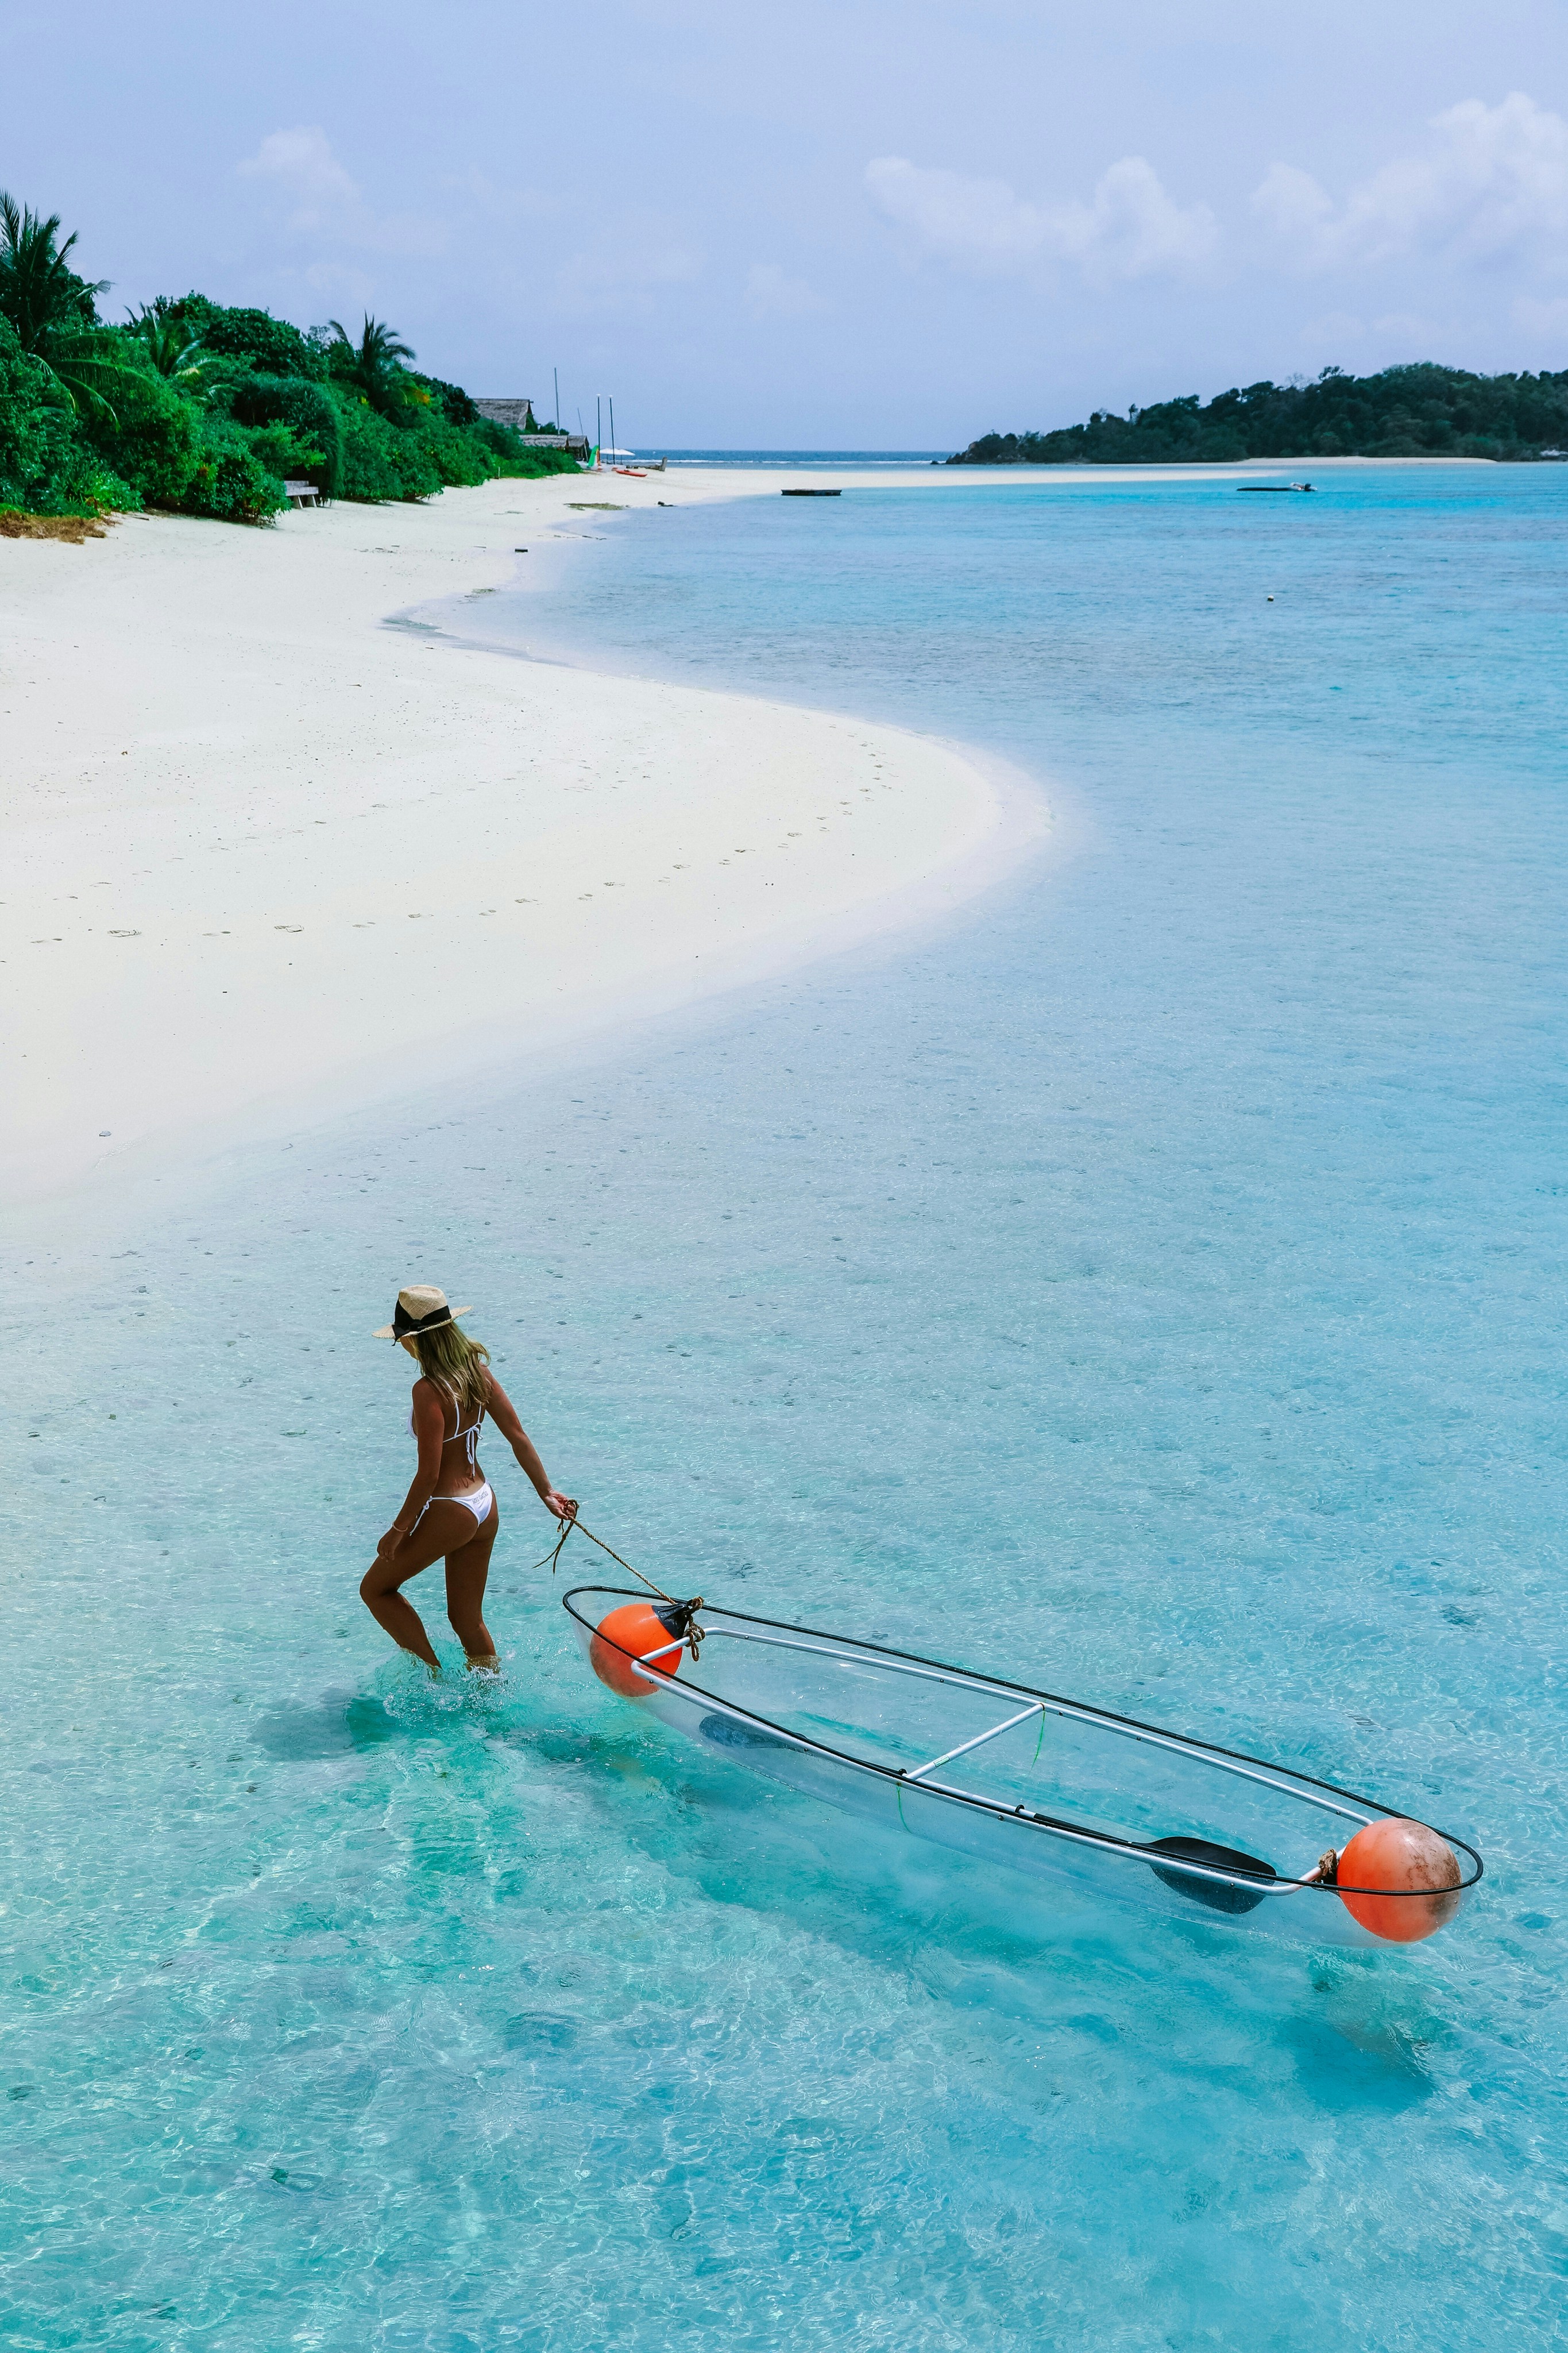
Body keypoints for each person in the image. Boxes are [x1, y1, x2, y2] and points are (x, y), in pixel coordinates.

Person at [360, 1285, 576, 1674]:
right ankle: (490, 1695)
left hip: (450, 1510)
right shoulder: (479, 1374)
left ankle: (432, 1679)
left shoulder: (428, 1390)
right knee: (467, 1619)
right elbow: (518, 1437)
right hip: (484, 1504)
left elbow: (428, 1475)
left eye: (403, 1341)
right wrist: (547, 1492)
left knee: (375, 1590)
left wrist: (398, 1529)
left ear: (415, 1341)